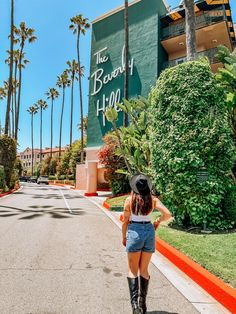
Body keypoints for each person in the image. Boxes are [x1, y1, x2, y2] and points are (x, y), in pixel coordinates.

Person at [122, 174, 172, 314]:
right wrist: (157, 221)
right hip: (149, 232)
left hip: (134, 232)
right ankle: (143, 305)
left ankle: (135, 307)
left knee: (132, 270)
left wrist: (123, 237)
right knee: (143, 270)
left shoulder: (129, 200)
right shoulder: (153, 200)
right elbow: (167, 214)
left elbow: (125, 221)